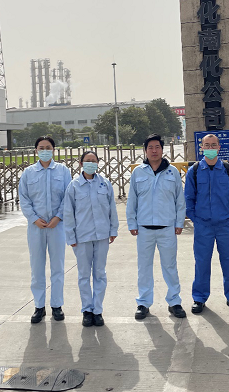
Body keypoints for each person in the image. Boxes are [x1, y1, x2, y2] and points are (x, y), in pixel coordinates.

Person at [184, 133, 229, 314]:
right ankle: (199, 298)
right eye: (207, 145)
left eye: (213, 145)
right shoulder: (194, 171)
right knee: (202, 263)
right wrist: (196, 219)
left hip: (226, 225)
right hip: (203, 226)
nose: (210, 148)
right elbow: (188, 198)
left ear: (219, 147)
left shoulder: (228, 170)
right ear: (201, 148)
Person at [126, 134, 186, 320]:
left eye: (157, 147)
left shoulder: (172, 172)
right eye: (150, 147)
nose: (154, 151)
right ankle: (143, 303)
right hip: (144, 229)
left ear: (162, 149)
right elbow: (132, 200)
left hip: (167, 228)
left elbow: (180, 200)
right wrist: (132, 222)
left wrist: (179, 222)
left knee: (170, 266)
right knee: (144, 268)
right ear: (145, 150)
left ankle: (174, 301)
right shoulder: (138, 172)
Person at [18, 136, 72, 323]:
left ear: (54, 150)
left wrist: (58, 217)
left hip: (57, 226)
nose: (45, 151)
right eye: (41, 148)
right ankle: (39, 307)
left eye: (48, 147)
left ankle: (57, 305)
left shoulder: (63, 171)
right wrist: (33, 219)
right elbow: (24, 199)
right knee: (37, 268)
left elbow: (68, 197)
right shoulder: (28, 173)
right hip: (36, 227)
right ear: (36, 151)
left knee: (58, 267)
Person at [63, 151, 119, 327]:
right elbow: (68, 212)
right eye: (87, 161)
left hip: (102, 235)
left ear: (98, 163)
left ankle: (98, 310)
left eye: (93, 161)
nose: (90, 164)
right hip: (82, 237)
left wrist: (113, 229)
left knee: (100, 273)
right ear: (81, 164)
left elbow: (112, 208)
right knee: (84, 275)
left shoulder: (105, 184)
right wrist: (70, 236)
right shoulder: (74, 186)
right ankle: (87, 310)